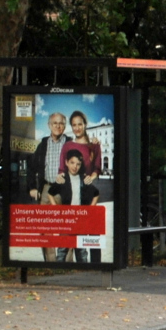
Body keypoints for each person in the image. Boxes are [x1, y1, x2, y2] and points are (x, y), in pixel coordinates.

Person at [28, 111, 71, 261]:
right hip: (46, 189)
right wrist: (33, 188)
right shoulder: (43, 144)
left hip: (65, 190)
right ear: (49, 125)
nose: (58, 126)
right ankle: (51, 262)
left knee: (67, 227)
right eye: (55, 123)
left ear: (65, 126)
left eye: (61, 123)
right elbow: (32, 168)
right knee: (45, 228)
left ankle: (67, 263)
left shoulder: (71, 143)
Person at [49, 150, 102, 262]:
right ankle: (59, 271)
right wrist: (55, 207)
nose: (75, 166)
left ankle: (83, 272)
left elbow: (96, 193)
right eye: (72, 163)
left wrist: (90, 209)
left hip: (80, 219)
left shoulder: (83, 179)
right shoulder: (63, 179)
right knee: (62, 250)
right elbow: (50, 193)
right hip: (66, 219)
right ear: (67, 162)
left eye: (78, 164)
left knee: (81, 251)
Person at [59, 110, 102, 189]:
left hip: (86, 190)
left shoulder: (94, 146)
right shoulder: (66, 146)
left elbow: (97, 168)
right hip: (69, 191)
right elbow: (62, 169)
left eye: (80, 124)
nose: (77, 128)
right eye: (74, 125)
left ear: (85, 125)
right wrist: (60, 177)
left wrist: (91, 178)